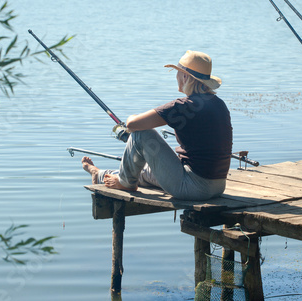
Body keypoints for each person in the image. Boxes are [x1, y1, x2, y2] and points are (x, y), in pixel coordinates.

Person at [82, 50, 233, 201]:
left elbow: (132, 125)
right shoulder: (218, 104)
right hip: (218, 186)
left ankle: (125, 182)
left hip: (193, 187)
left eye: (178, 72)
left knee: (141, 134)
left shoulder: (183, 106)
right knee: (145, 172)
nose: (176, 77)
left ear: (185, 76)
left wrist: (131, 118)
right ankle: (99, 174)